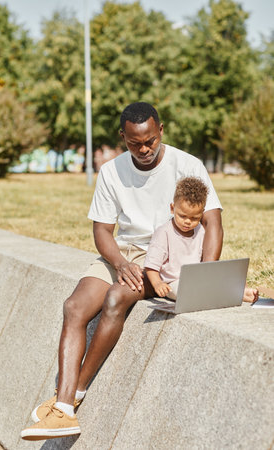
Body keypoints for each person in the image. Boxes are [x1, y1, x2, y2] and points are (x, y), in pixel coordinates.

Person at [21, 102, 225, 441]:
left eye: (149, 141)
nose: (143, 149)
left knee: (116, 298)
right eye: (134, 143)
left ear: (161, 130)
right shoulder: (111, 171)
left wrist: (205, 278)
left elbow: (212, 221)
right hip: (122, 254)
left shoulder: (187, 165)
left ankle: (68, 402)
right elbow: (102, 231)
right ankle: (65, 408)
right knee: (74, 307)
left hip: (164, 255)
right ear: (123, 137)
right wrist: (119, 263)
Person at [145, 176, 208, 300]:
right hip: (172, 283)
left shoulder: (201, 231)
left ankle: (241, 292)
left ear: (202, 213)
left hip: (195, 281)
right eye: (182, 216)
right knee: (189, 293)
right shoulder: (164, 232)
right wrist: (157, 283)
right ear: (172, 208)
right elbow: (151, 265)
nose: (188, 222)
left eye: (194, 218)